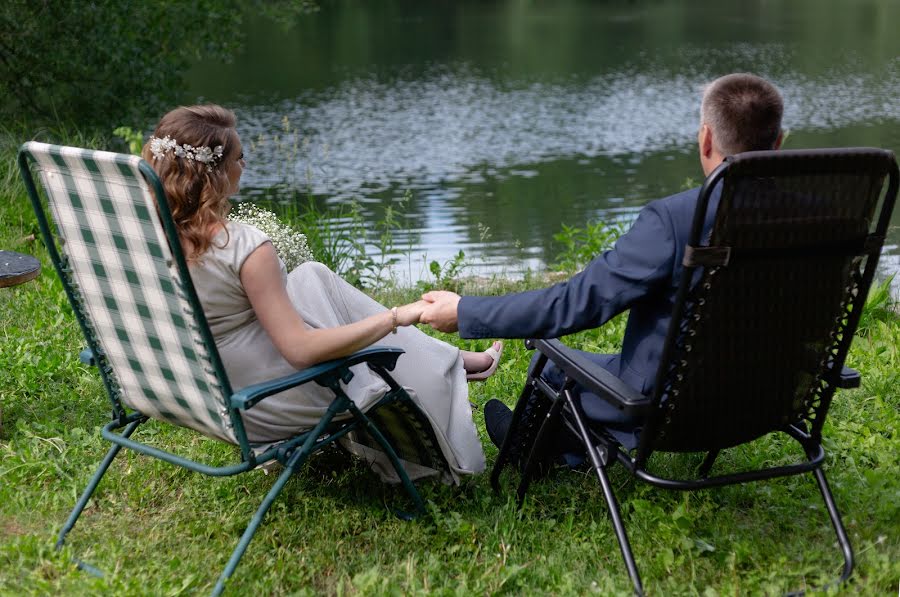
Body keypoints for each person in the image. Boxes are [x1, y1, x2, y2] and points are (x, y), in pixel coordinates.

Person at [419, 73, 784, 456]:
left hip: (670, 410)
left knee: (551, 364)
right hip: (768, 399)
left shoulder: (676, 221)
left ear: (706, 138)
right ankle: (572, 452)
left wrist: (466, 310)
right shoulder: (820, 215)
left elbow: (577, 302)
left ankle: (527, 452)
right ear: (777, 142)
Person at [142, 104, 504, 484]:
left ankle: (454, 359)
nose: (244, 166)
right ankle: (450, 363)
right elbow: (301, 352)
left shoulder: (139, 234)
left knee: (313, 277)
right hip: (262, 400)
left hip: (198, 391)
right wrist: (396, 317)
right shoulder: (241, 247)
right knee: (364, 331)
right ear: (213, 175)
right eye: (239, 157)